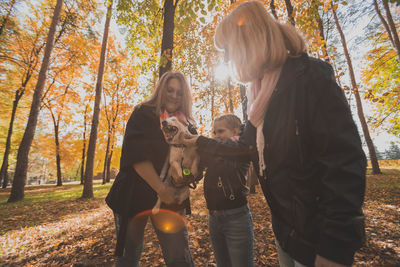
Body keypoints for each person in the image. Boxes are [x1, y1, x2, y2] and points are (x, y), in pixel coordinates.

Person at [183, 1, 366, 267]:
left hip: (319, 238)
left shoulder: (309, 77)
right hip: (286, 231)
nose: (228, 59)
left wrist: (334, 247)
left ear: (249, 41)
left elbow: (343, 163)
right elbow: (245, 147)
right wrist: (200, 141)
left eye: (230, 50)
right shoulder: (254, 96)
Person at [106, 71, 195, 267]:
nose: (174, 95)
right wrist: (162, 189)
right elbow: (137, 157)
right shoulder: (143, 113)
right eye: (170, 90)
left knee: (179, 257)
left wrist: (189, 175)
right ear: (161, 90)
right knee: (128, 257)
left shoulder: (188, 124)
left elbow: (190, 167)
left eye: (179, 93)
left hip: (171, 199)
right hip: (134, 193)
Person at [199, 114, 254, 267]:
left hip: (236, 217)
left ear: (236, 131)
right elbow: (196, 172)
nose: (216, 136)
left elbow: (225, 166)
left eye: (221, 131)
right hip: (214, 217)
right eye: (214, 132)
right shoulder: (216, 150)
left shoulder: (239, 151)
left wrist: (207, 148)